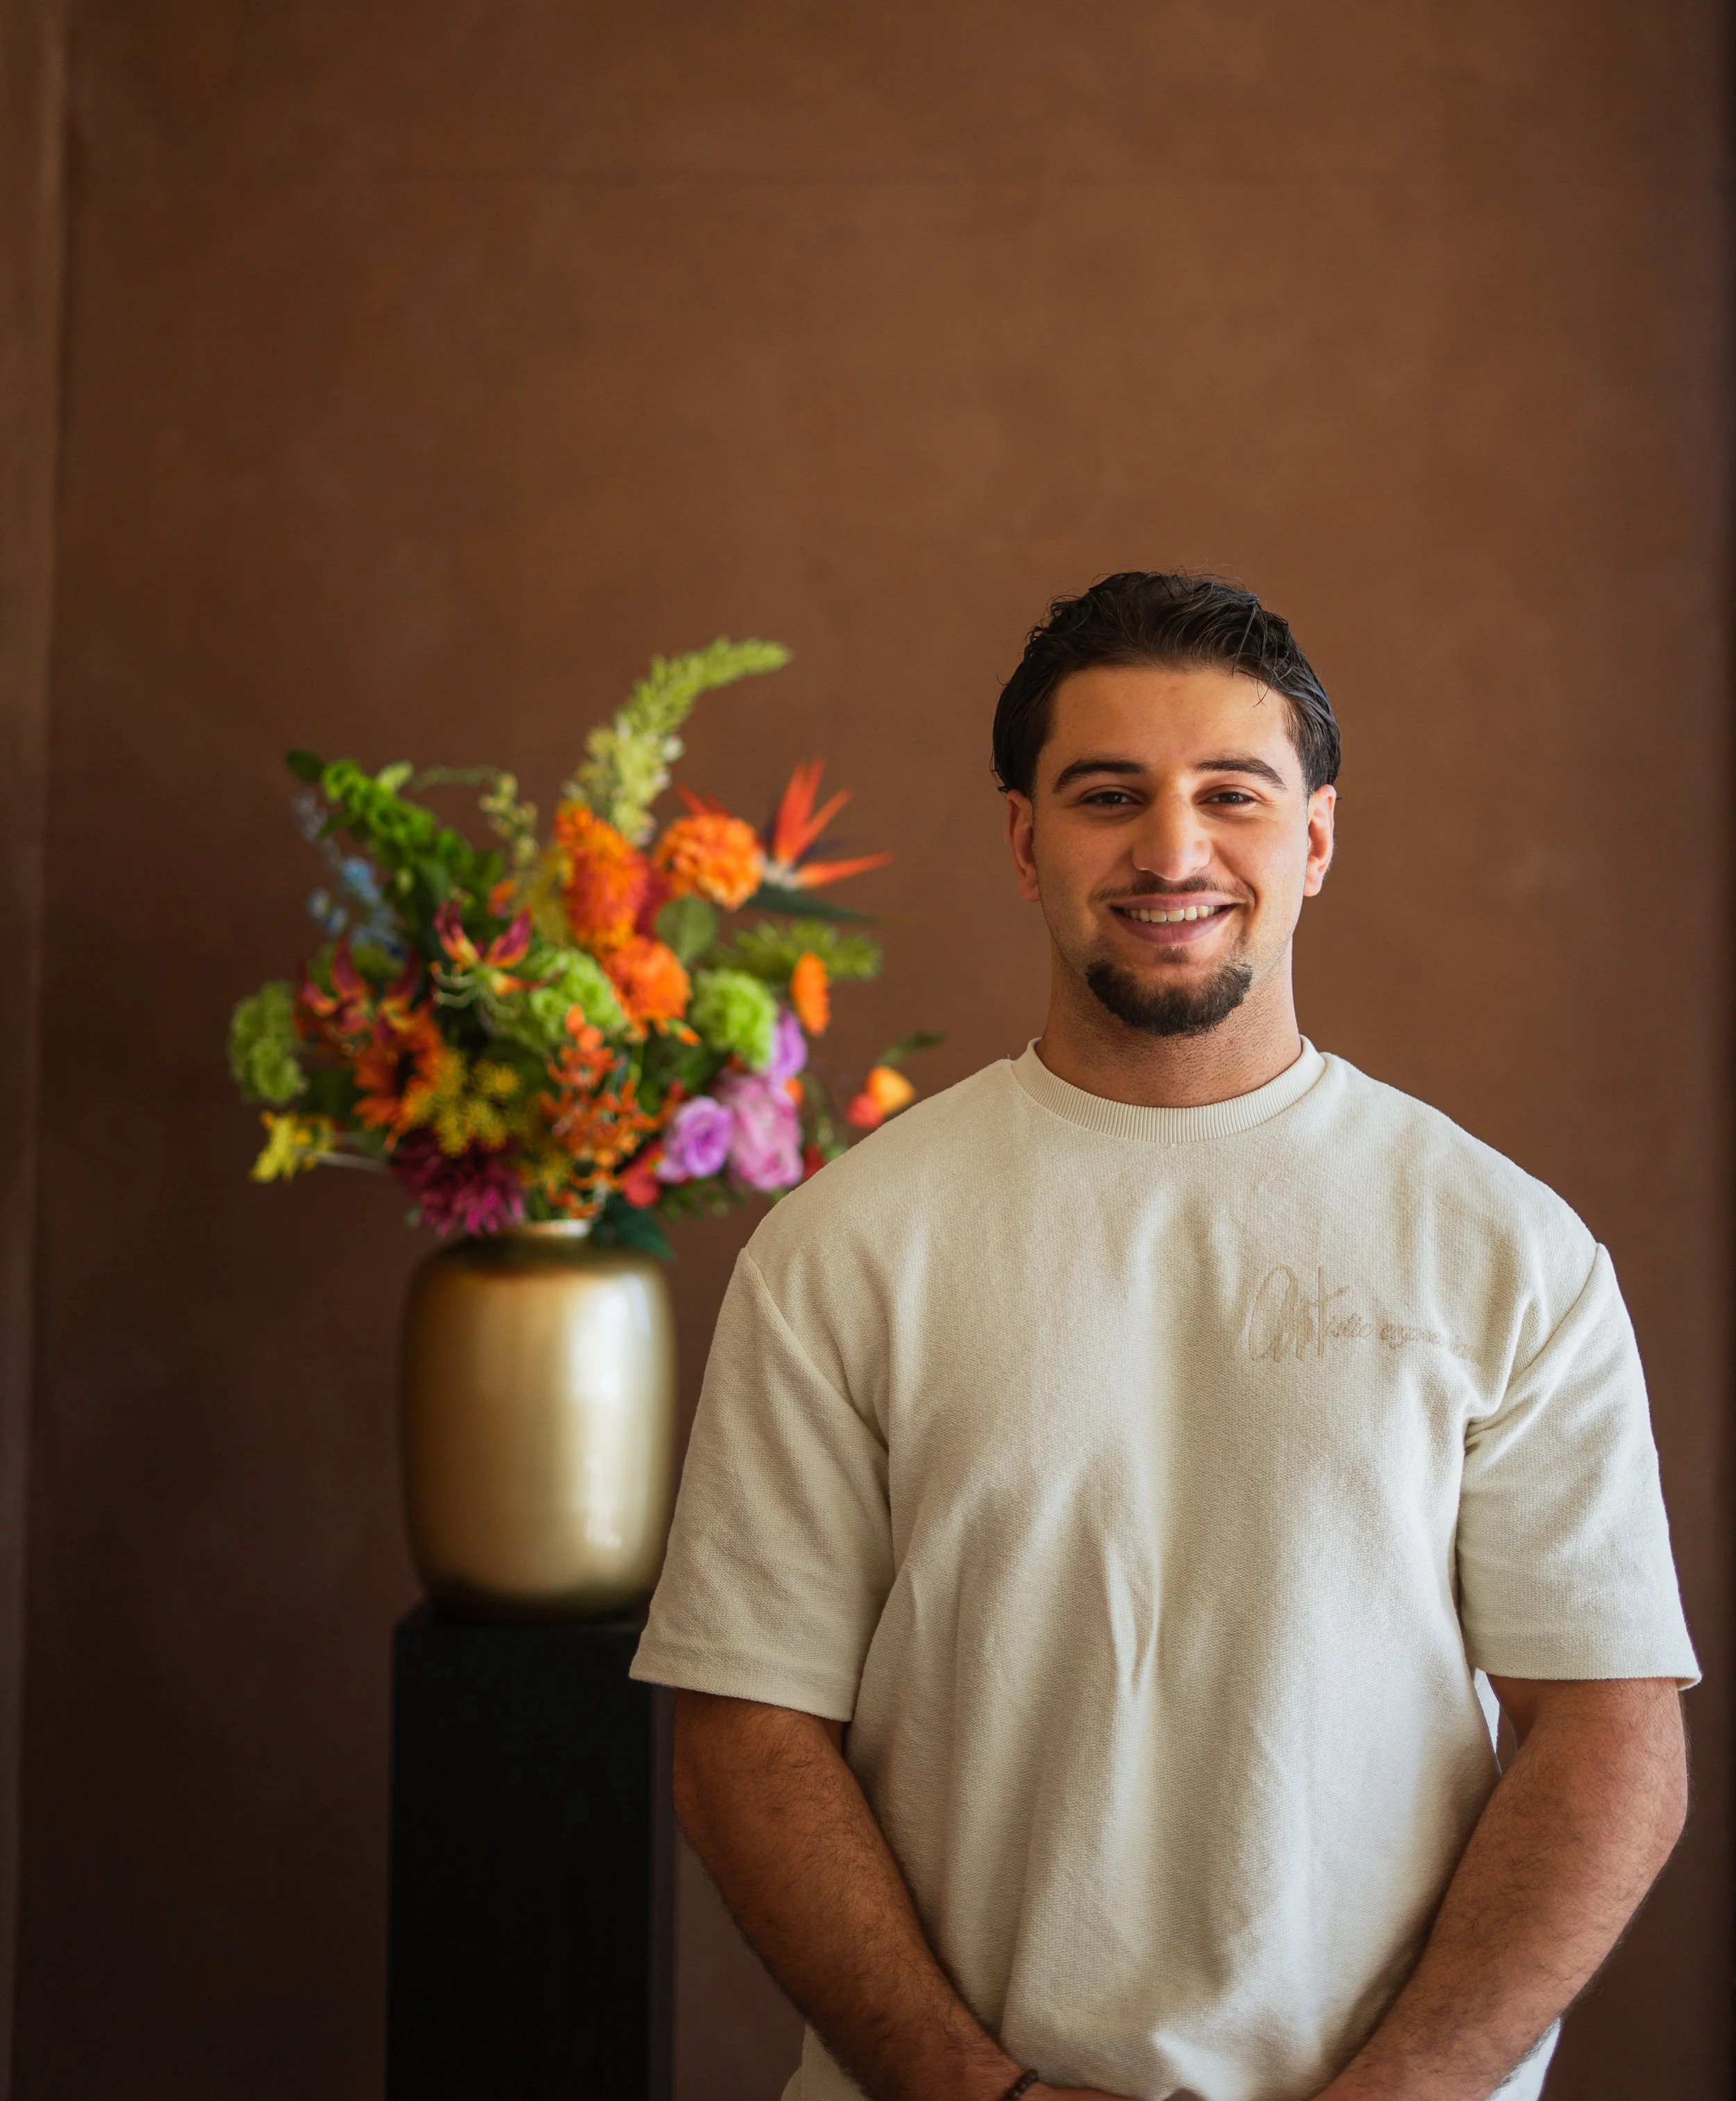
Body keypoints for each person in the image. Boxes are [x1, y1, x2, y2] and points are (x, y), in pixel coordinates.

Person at [630, 571, 1698, 2101]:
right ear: (1021, 840)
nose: (1171, 849)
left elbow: (1607, 1737)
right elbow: (745, 1739)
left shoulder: (1506, 1250)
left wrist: (1396, 2095)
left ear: (1315, 838)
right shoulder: (842, 1248)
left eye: (1231, 794)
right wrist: (972, 2094)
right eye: (1106, 794)